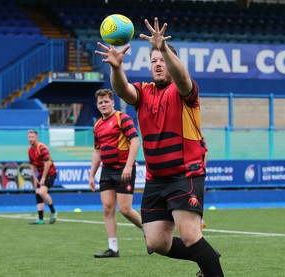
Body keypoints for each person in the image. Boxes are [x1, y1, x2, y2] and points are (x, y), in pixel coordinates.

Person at [95, 18, 224, 277]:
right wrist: (117, 68)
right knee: (156, 242)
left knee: (189, 234)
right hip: (156, 179)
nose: (157, 63)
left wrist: (163, 48)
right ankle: (208, 257)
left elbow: (183, 76)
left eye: (162, 59)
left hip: (185, 173)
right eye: (153, 60)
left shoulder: (184, 91)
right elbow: (123, 91)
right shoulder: (144, 92)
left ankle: (211, 267)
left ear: (171, 62)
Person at [88, 88, 144, 258]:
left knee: (125, 209)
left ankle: (147, 231)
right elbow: (97, 151)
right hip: (107, 171)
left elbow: (135, 141)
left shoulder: (122, 118)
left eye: (106, 101)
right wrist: (91, 175)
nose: (103, 104)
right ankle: (113, 248)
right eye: (100, 102)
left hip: (123, 169)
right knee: (107, 208)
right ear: (97, 105)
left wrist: (128, 166)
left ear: (113, 102)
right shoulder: (97, 125)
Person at [27, 129, 57, 225]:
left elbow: (48, 163)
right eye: (29, 137)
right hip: (40, 174)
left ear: (36, 138)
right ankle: (40, 219)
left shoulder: (41, 148)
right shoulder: (30, 150)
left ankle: (53, 212)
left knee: (42, 192)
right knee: (37, 193)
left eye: (32, 137)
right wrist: (35, 178)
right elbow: (32, 164)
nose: (30, 139)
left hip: (50, 173)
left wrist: (43, 177)